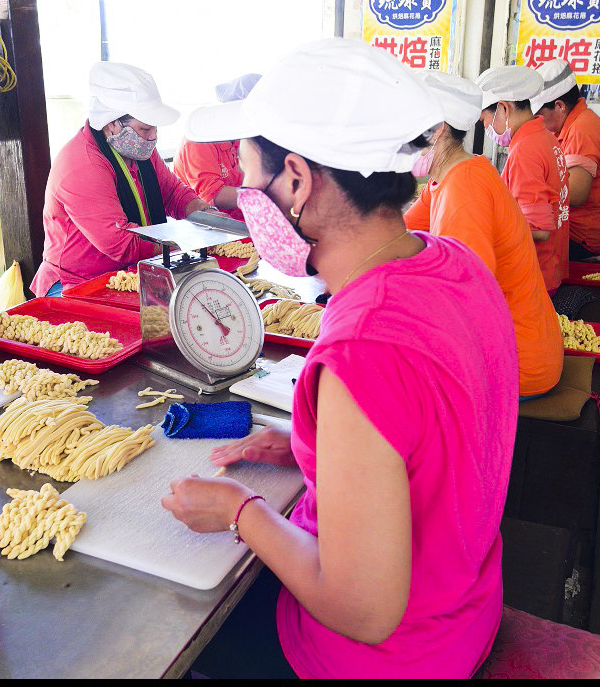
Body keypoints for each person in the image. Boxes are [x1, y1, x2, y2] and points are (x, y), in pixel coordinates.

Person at [162, 39, 519, 678]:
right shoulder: (451, 263)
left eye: (251, 179)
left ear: (297, 179)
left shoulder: (364, 347)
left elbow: (363, 608)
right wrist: (318, 444)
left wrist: (240, 514)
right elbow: (428, 441)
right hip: (466, 610)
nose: (247, 201)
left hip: (385, 657)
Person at [405, 71, 563, 399]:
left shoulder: (465, 187)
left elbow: (463, 299)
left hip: (517, 361)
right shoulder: (448, 177)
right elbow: (399, 233)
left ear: (437, 132)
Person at [30, 62, 217, 298]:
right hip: (76, 283)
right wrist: (184, 245)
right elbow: (121, 243)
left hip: (126, 273)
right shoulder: (83, 163)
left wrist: (206, 214)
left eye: (154, 128)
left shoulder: (138, 149)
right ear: (113, 123)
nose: (154, 136)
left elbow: (172, 193)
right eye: (145, 129)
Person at [477, 65, 570, 295]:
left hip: (533, 274)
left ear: (504, 108)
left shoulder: (526, 149)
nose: (486, 127)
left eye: (485, 120)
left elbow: (538, 229)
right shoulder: (544, 137)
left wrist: (485, 229)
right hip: (550, 267)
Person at [532, 59, 600, 260]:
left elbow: (575, 194)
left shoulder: (582, 130)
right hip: (572, 227)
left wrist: (531, 186)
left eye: (539, 115)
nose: (536, 121)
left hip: (581, 237)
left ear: (559, 106)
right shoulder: (574, 125)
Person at [172, 73, 261, 218]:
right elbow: (213, 194)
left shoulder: (246, 134)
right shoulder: (199, 138)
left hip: (246, 220)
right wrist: (263, 198)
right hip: (210, 226)